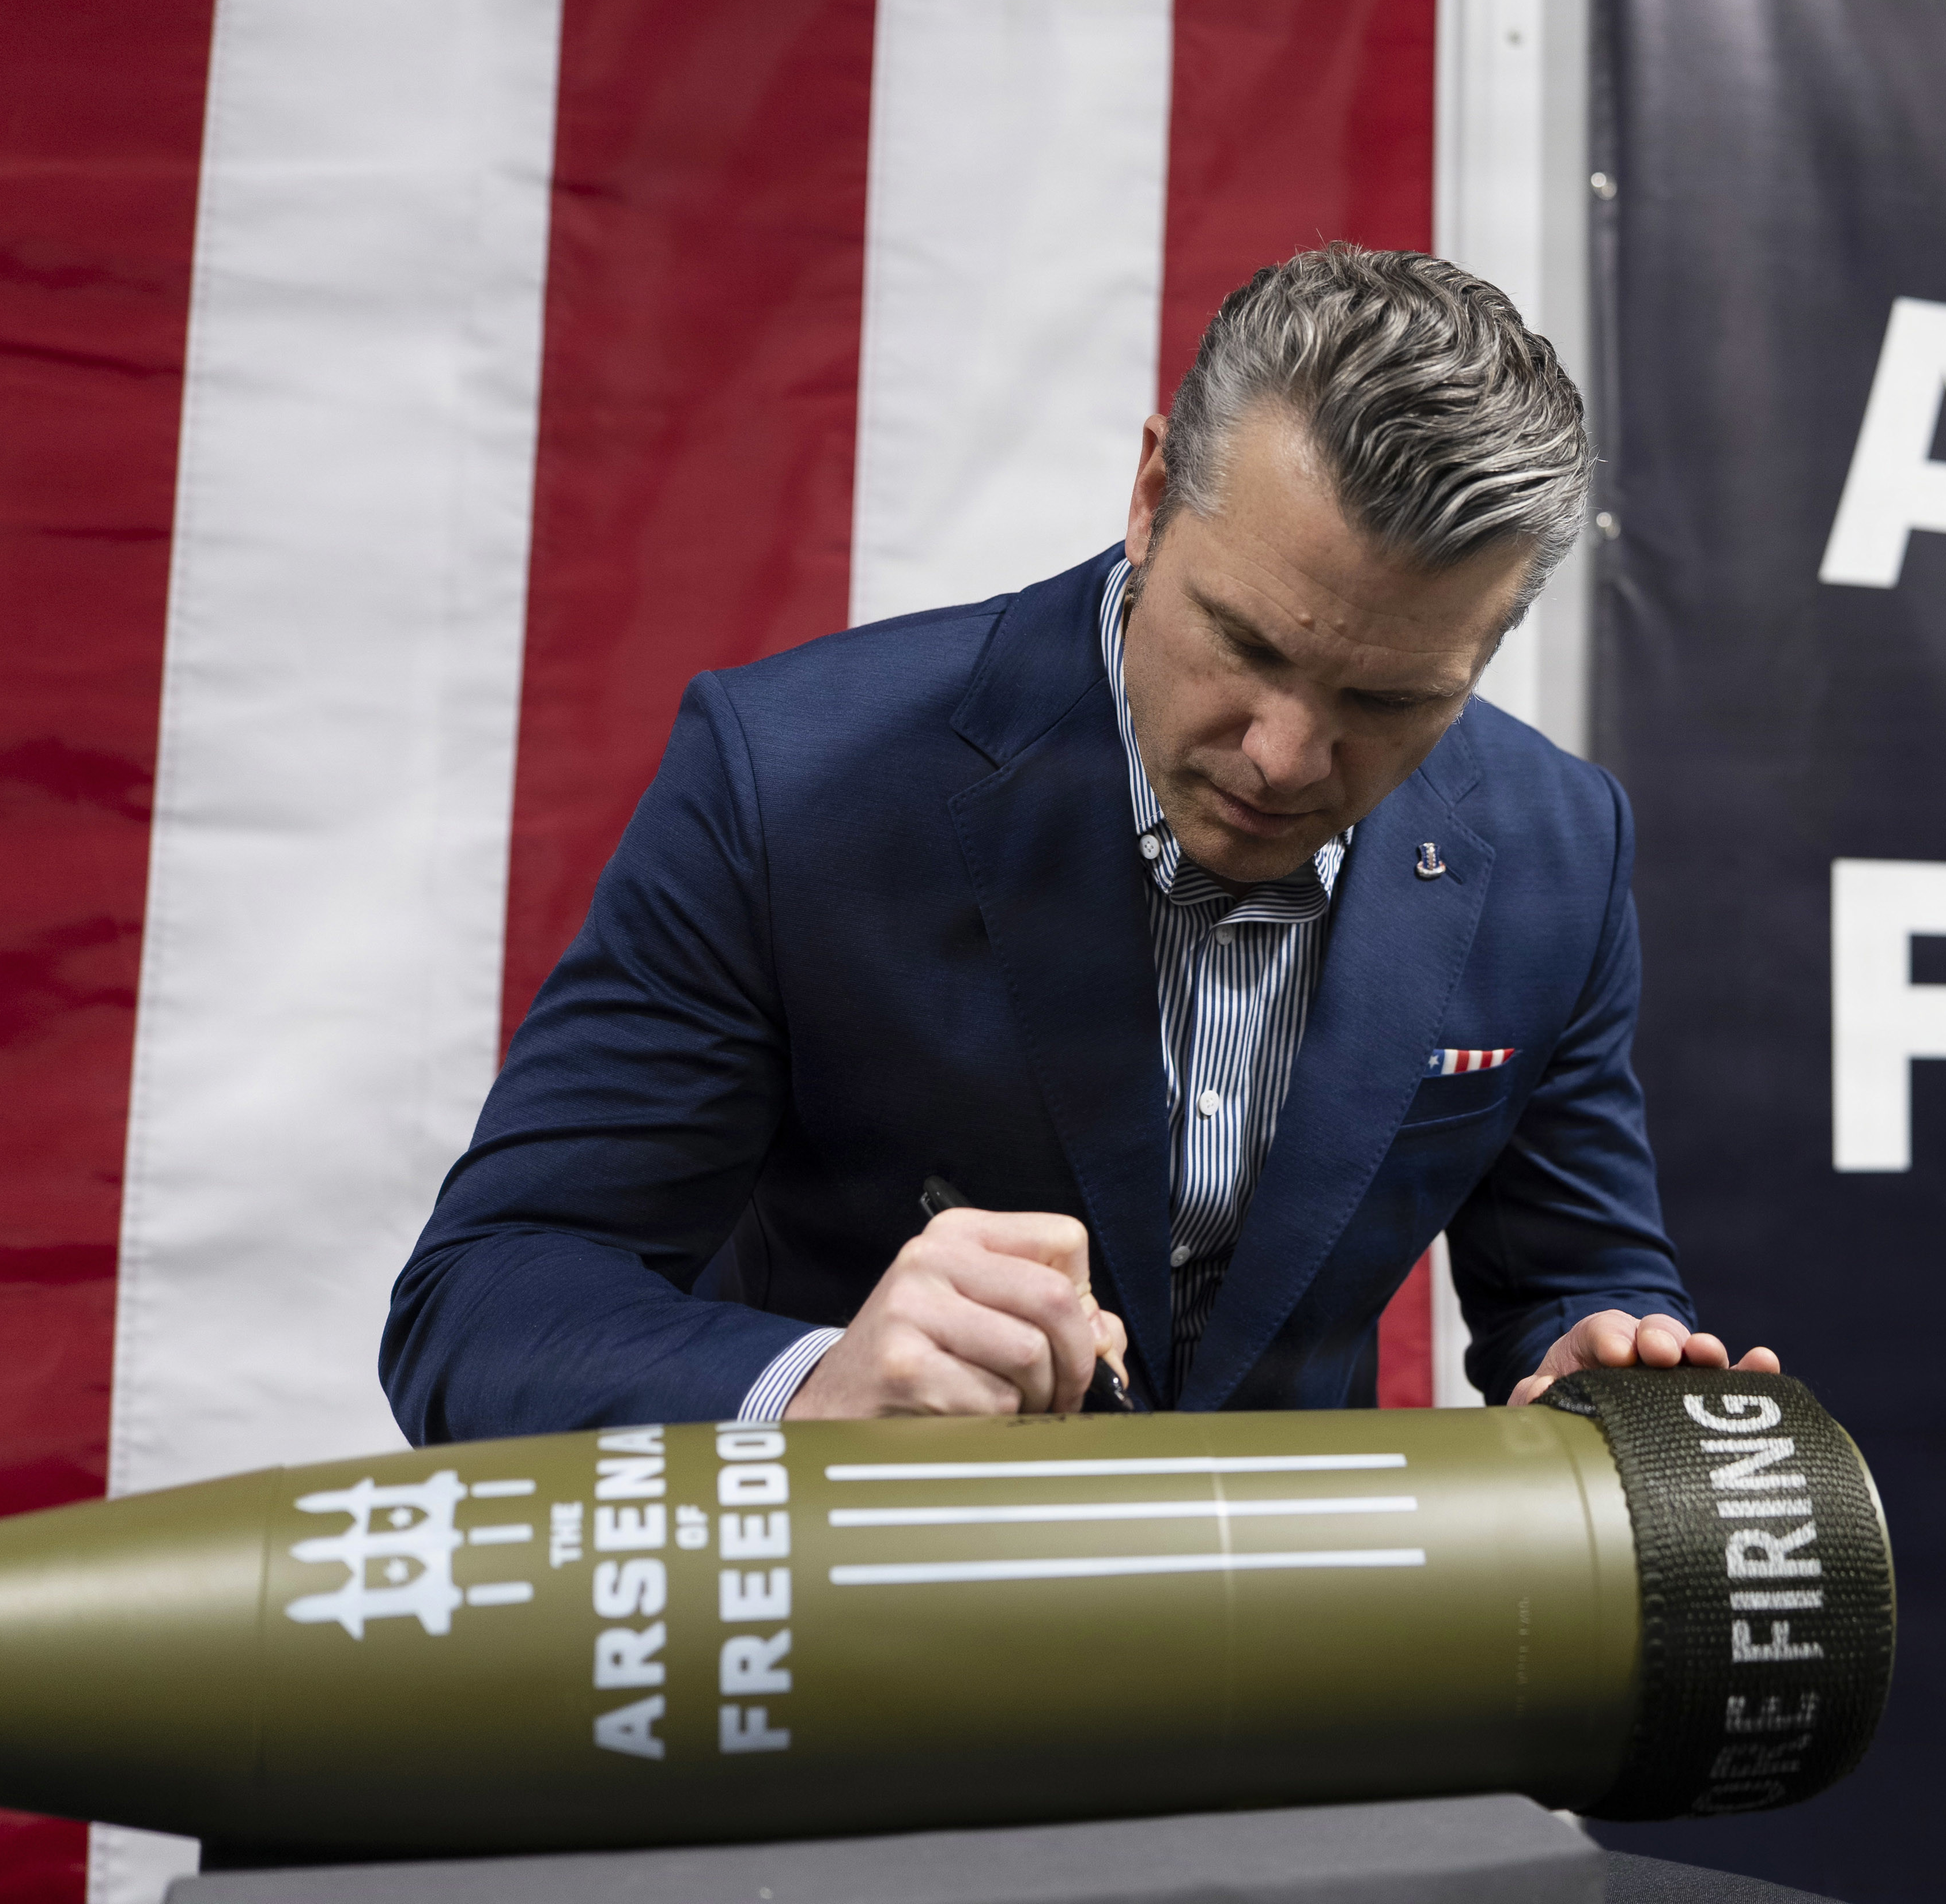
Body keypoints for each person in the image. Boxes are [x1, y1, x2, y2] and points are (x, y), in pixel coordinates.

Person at [384, 246, 1774, 1437]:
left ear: (1484, 652)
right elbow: (483, 1299)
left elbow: (1576, 1281)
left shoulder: (1556, 845)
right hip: (854, 1666)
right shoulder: (789, 778)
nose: (1283, 756)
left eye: (1386, 701)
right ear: (1151, 494)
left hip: (1280, 1700)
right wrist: (812, 1390)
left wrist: (1603, 1374)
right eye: (1241, 642)